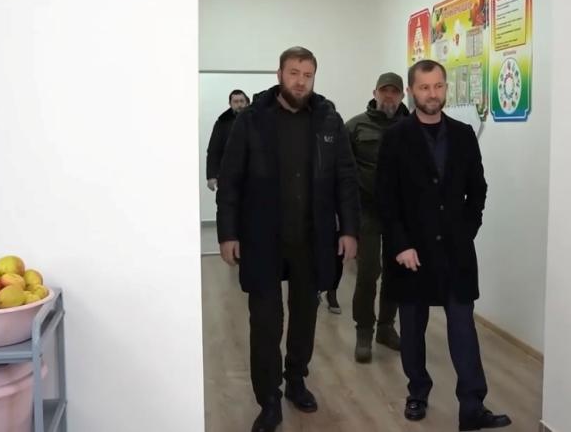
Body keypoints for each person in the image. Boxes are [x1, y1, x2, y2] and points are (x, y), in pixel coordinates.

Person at [216, 46, 360, 432]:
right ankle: (268, 400)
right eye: (294, 73)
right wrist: (228, 232)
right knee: (265, 323)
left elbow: (346, 178)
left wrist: (349, 229)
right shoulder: (252, 120)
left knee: (304, 317)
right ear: (279, 74)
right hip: (262, 237)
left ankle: (296, 380)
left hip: (311, 238)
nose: (300, 81)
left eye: (307, 75)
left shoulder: (328, 119)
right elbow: (230, 179)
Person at [376, 59, 511, 430]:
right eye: (424, 87)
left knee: (463, 328)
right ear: (411, 91)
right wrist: (400, 245)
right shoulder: (396, 137)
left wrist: (466, 231)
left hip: (455, 251)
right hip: (411, 252)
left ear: (445, 88)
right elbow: (385, 198)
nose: (432, 94)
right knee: (413, 328)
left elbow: (477, 190)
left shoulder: (463, 134)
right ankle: (417, 392)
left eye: (438, 86)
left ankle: (472, 406)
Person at [345, 71, 409, 363]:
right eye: (384, 91)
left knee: (396, 272)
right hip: (366, 211)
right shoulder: (355, 126)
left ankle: (386, 327)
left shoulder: (412, 126)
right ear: (375, 93)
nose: (389, 96)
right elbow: (343, 173)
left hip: (400, 214)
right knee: (369, 272)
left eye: (394, 91)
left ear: (402, 95)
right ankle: (364, 331)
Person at [206, 89, 250, 191]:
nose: (239, 105)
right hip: (228, 174)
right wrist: (211, 176)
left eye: (241, 101)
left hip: (251, 174)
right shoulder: (222, 123)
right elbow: (214, 150)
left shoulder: (256, 120)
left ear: (247, 102)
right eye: (235, 102)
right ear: (230, 104)